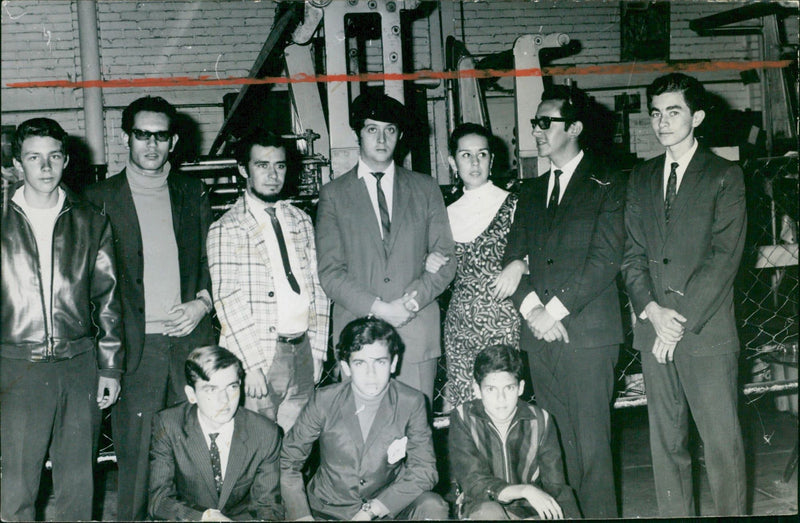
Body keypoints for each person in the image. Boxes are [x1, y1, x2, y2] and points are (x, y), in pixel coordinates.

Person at [84, 95, 216, 521]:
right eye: (143, 135)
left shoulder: (192, 192)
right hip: (134, 351)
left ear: (174, 141)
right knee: (137, 467)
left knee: (196, 461)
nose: (151, 145)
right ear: (127, 137)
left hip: (189, 344)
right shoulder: (98, 197)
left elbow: (210, 262)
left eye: (161, 136)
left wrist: (202, 303)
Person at [621, 72, 747, 516]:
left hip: (703, 334)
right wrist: (651, 310)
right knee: (666, 447)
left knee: (721, 448)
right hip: (653, 330)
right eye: (656, 113)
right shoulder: (640, 176)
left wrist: (676, 322)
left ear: (697, 116)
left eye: (673, 111)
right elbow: (631, 254)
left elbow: (723, 259)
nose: (662, 122)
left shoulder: (724, 176)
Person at [503, 85, 625, 518]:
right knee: (554, 449)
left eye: (545, 122)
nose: (536, 130)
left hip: (587, 335)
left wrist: (550, 311)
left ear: (573, 128)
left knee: (592, 450)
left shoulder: (608, 183)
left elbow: (604, 260)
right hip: (540, 337)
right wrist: (532, 309)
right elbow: (511, 259)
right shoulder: (529, 192)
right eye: (535, 122)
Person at [1, 118, 123, 521]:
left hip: (78, 365)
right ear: (18, 164)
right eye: (34, 157)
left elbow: (107, 299)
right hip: (17, 368)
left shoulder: (91, 220)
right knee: (18, 483)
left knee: (78, 482)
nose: (45, 166)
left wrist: (110, 366)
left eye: (54, 156)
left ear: (67, 160)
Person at [315, 92, 456, 402]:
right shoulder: (333, 195)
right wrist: (380, 309)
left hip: (415, 333)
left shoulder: (426, 188)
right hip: (359, 338)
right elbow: (330, 273)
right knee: (362, 439)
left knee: (416, 436)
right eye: (371, 129)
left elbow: (446, 259)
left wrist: (410, 303)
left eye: (390, 130)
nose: (381, 138)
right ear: (358, 134)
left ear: (400, 135)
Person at [207, 129, 330, 431]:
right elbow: (227, 301)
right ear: (243, 170)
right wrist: (250, 368)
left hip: (302, 349)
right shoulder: (227, 228)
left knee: (297, 450)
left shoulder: (301, 220)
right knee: (258, 450)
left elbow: (318, 287)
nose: (272, 174)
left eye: (280, 165)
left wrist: (318, 350)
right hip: (261, 356)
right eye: (262, 165)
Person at [280, 317, 449, 521]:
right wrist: (301, 516)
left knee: (432, 506)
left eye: (380, 362)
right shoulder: (324, 400)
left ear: (393, 363)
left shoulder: (412, 402)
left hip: (385, 509)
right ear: (346, 367)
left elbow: (424, 470)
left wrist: (373, 509)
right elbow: (289, 460)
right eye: (360, 363)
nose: (371, 374)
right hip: (327, 511)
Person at [426, 123, 523, 410]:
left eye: (482, 154)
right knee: (466, 409)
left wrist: (520, 264)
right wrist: (427, 260)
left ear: (492, 160)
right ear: (452, 162)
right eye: (466, 155)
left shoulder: (514, 204)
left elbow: (540, 257)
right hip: (460, 327)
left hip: (503, 321)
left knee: (501, 406)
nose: (475, 162)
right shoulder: (444, 214)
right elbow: (436, 265)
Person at [148, 345, 283, 521]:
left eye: (231, 387)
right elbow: (159, 501)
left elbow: (268, 507)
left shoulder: (265, 433)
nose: (225, 400)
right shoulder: (168, 424)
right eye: (211, 389)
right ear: (192, 394)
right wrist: (203, 517)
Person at [449, 344, 579, 520]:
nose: (501, 399)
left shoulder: (541, 420)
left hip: (530, 508)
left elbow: (556, 485)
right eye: (491, 389)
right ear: (477, 389)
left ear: (521, 387)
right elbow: (473, 481)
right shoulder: (464, 417)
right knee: (489, 513)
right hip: (481, 505)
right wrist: (524, 490)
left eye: (509, 388)